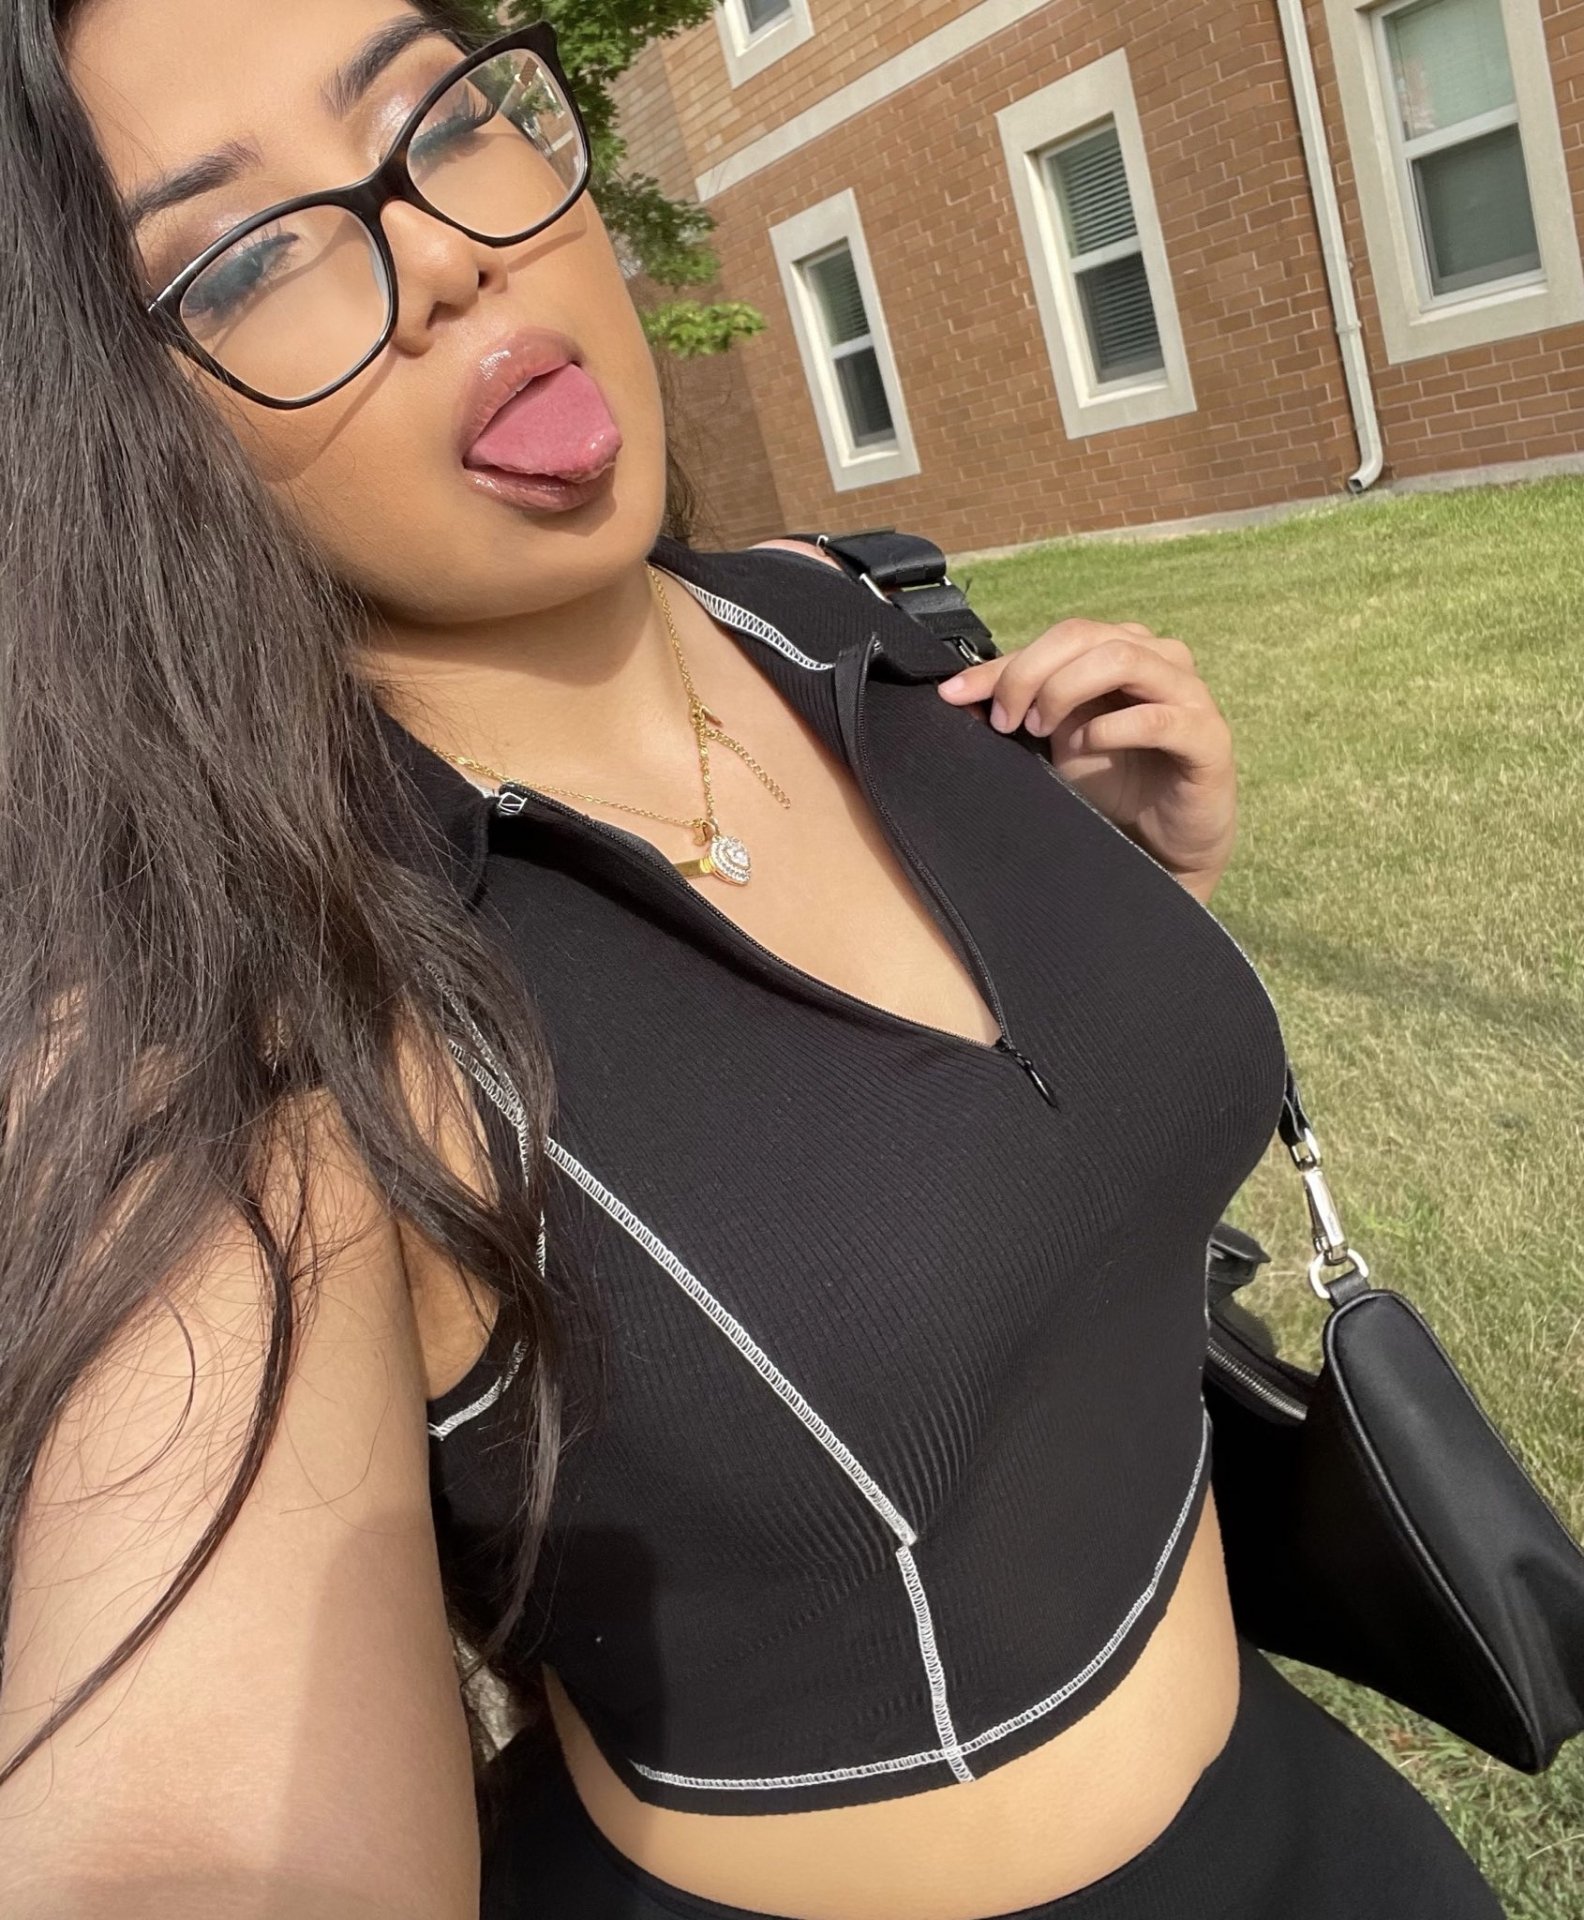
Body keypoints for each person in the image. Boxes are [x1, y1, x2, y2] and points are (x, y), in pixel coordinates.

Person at [0, 4, 1508, 1917]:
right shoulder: (252, 1020)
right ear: (119, 430)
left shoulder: (844, 610)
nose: (448, 251)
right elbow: (187, 1835)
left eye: (438, 118)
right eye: (244, 259)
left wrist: (1131, 890)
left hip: (1321, 1827)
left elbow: (991, 1186)